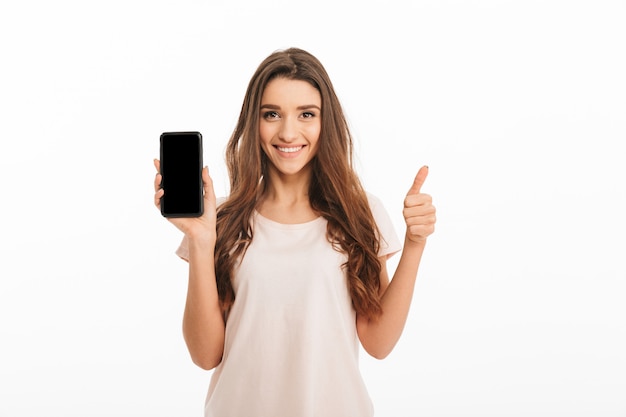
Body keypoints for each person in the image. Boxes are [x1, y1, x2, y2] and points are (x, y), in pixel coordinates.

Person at [153, 47, 436, 417]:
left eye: (306, 114)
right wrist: (202, 241)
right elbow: (205, 355)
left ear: (325, 122)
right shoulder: (221, 219)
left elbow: (379, 343)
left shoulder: (358, 211)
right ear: (253, 123)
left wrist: (414, 245)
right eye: (271, 114)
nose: (288, 132)